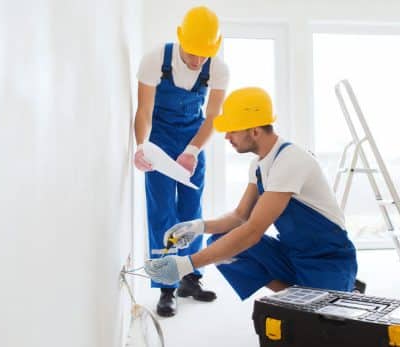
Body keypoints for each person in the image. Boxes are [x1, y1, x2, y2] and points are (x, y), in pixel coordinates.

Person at [144, 87, 358, 301]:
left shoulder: (290, 160)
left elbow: (253, 230)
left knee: (321, 326)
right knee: (220, 241)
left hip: (328, 259)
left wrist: (187, 264)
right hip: (294, 254)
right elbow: (240, 216)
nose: (227, 136)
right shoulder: (258, 165)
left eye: (233, 131)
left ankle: (325, 294)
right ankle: (296, 298)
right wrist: (199, 227)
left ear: (254, 131)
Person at [133, 6, 229, 317]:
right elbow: (144, 112)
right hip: (159, 140)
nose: (198, 60)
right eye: (193, 52)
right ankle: (165, 287)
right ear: (181, 40)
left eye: (205, 54)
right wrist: (142, 147)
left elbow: (212, 117)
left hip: (193, 140)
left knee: (191, 209)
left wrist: (193, 151)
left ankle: (190, 277)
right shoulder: (155, 60)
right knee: (163, 211)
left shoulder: (217, 68)